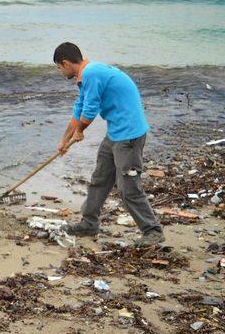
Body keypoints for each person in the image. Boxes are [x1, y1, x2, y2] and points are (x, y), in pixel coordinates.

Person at [53, 42, 164, 247]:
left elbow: (91, 110)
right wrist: (64, 140)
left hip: (129, 136)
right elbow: (80, 108)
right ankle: (89, 224)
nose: (60, 72)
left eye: (59, 68)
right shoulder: (86, 76)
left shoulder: (92, 74)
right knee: (100, 179)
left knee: (128, 188)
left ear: (66, 63)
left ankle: (153, 231)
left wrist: (80, 132)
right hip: (115, 133)